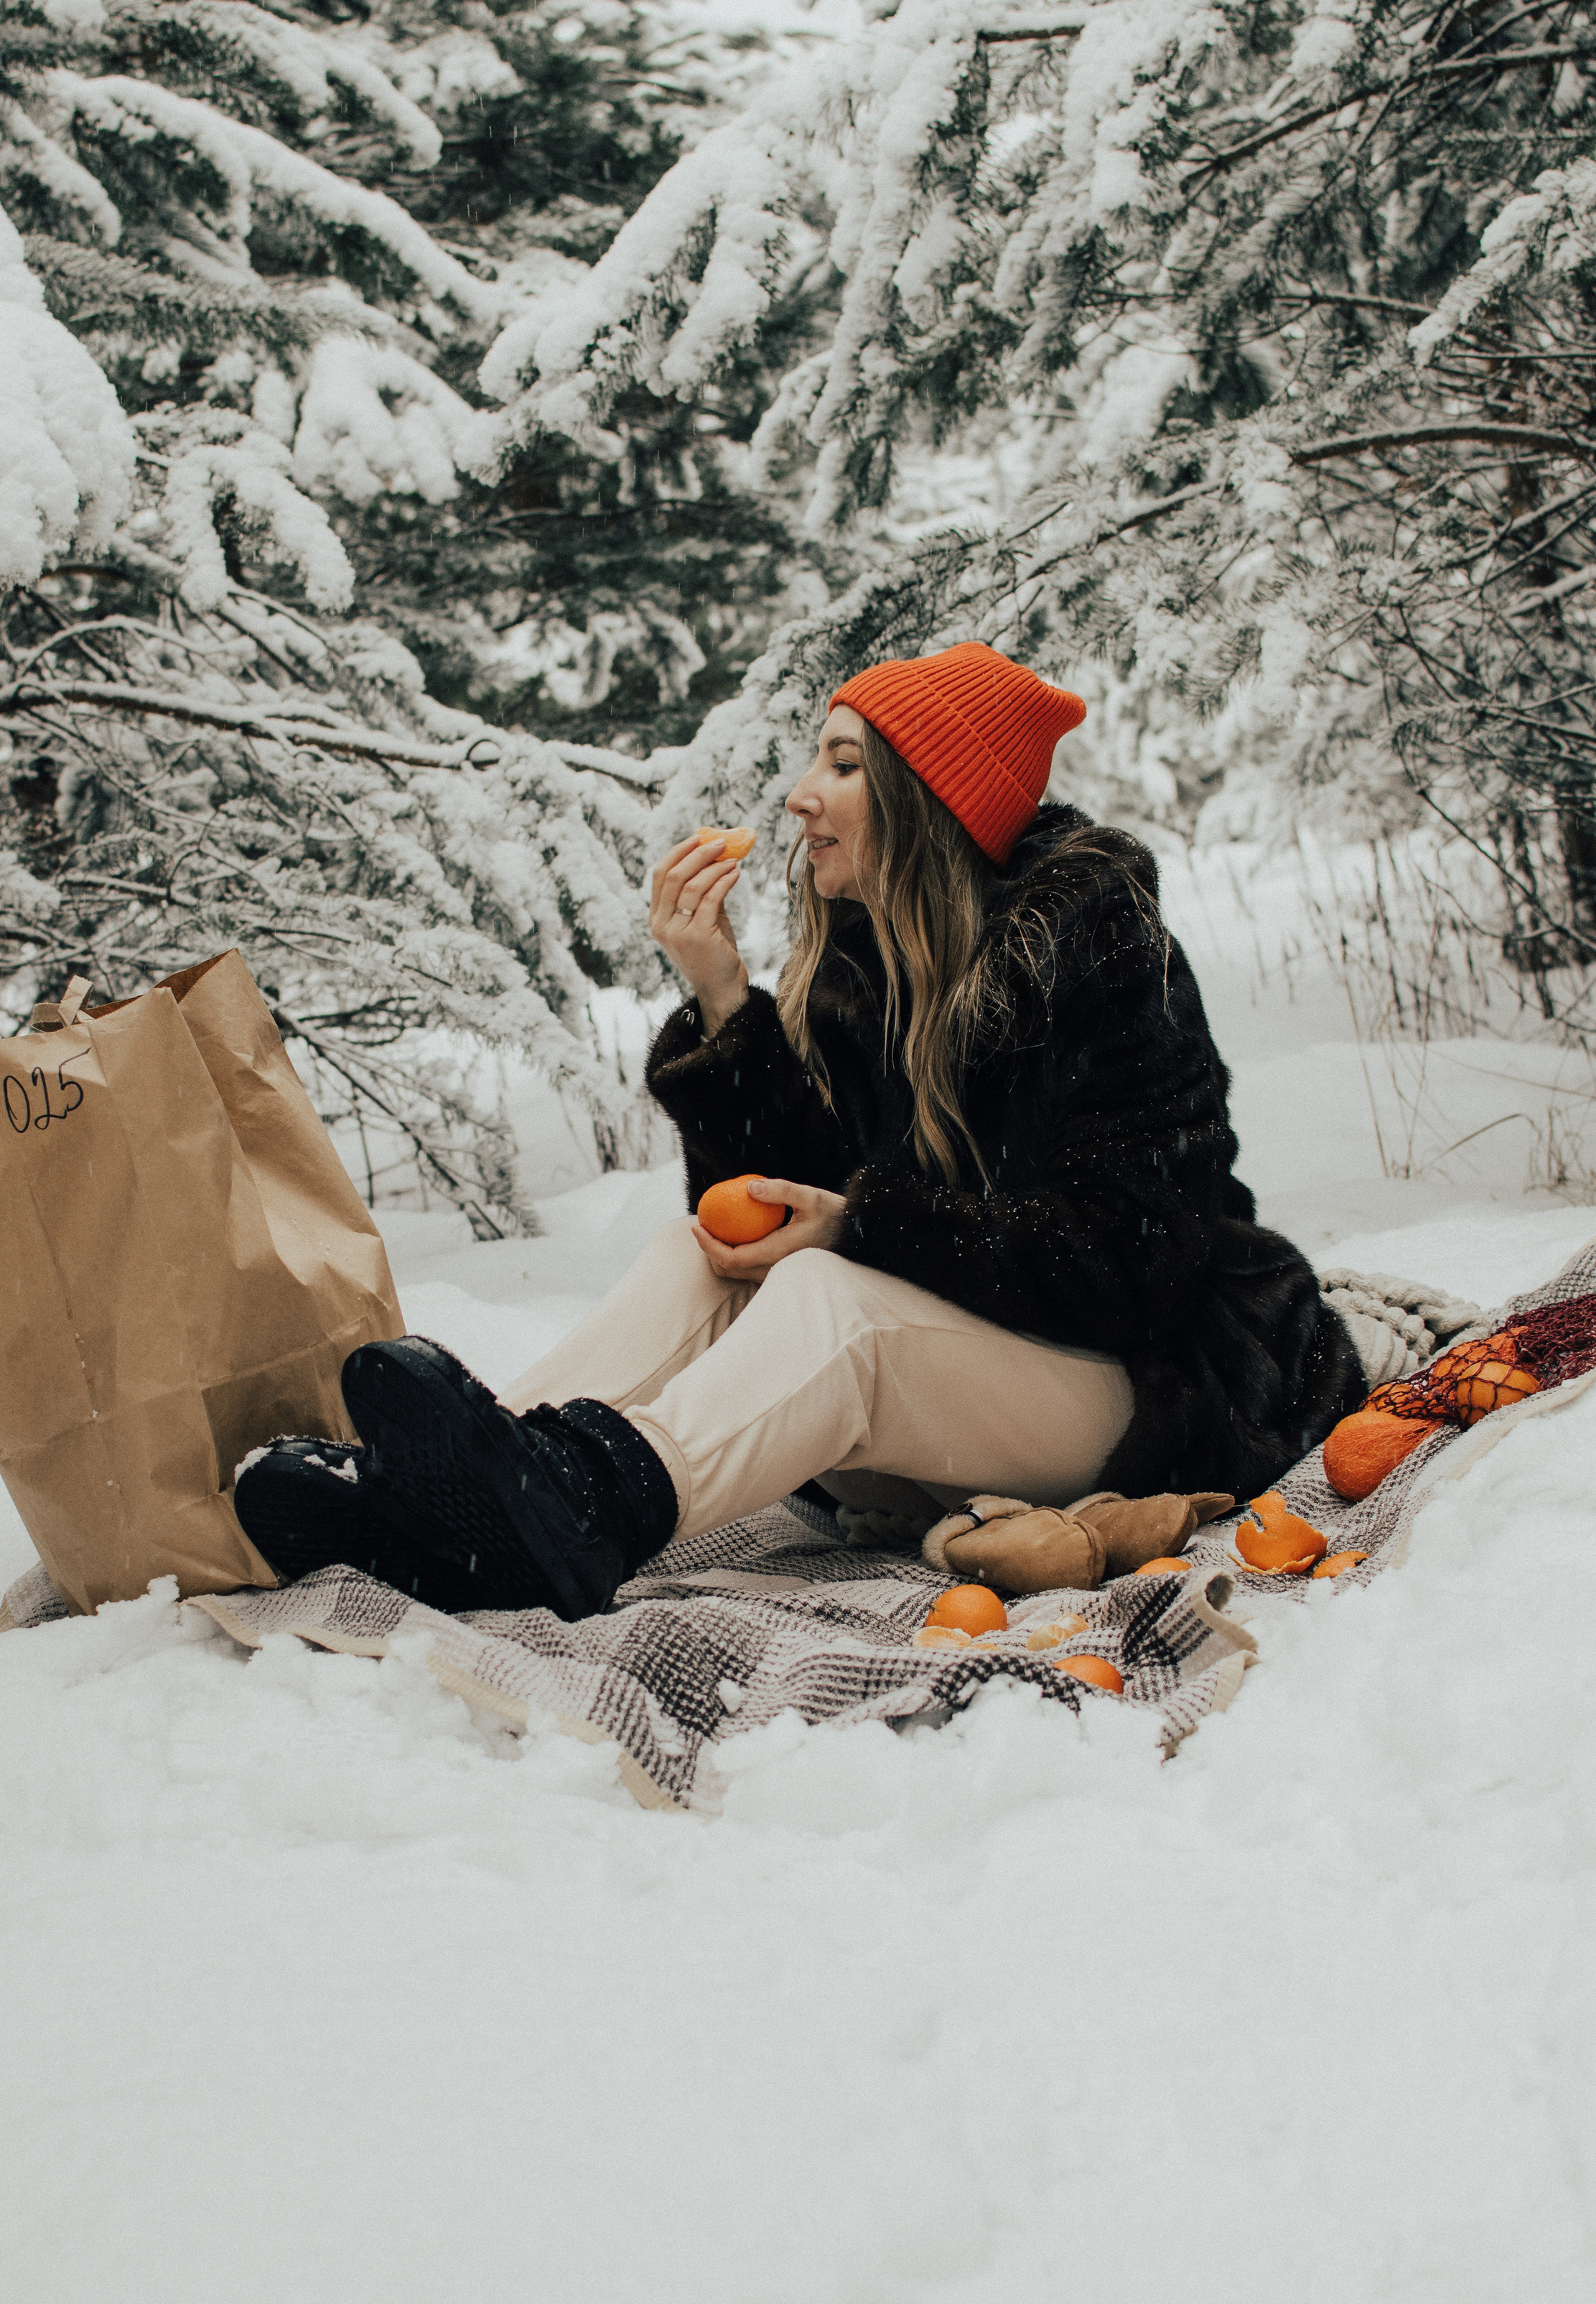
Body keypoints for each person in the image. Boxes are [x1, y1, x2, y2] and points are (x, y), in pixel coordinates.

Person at [235, 641, 1366, 1619]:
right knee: (708, 1252)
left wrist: (857, 1223)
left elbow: (1132, 1265)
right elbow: (800, 1207)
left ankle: (590, 1509)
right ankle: (452, 1487)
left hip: (1150, 1394)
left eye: (842, 763)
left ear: (931, 798)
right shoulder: (868, 968)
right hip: (960, 1399)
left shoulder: (1106, 959)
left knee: (836, 1301)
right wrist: (726, 1000)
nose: (797, 794)